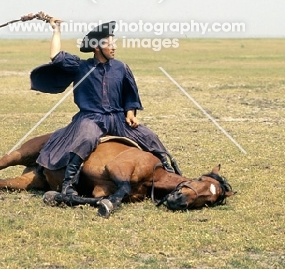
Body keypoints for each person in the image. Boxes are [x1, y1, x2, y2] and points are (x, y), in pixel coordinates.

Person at [30, 18, 181, 196]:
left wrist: (130, 113)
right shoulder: (80, 66)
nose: (114, 47)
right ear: (96, 47)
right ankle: (68, 184)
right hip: (90, 118)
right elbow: (55, 56)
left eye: (114, 43)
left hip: (117, 119)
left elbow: (129, 94)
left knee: (149, 136)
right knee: (86, 137)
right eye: (109, 43)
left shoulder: (121, 68)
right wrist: (56, 30)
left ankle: (171, 173)